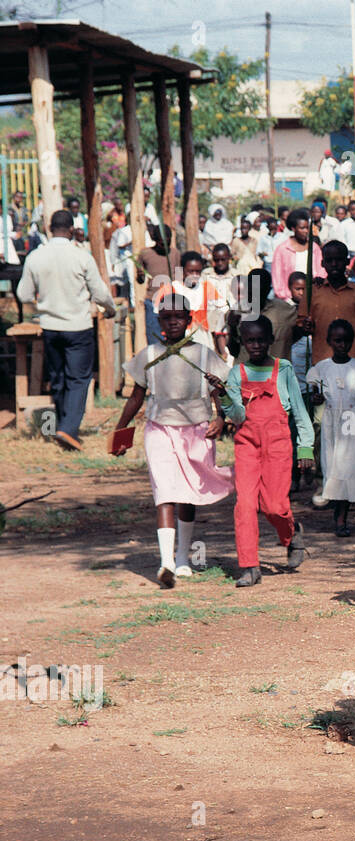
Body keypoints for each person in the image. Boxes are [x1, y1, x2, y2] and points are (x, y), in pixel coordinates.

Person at [112, 294, 233, 587]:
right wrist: (120, 432)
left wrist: (221, 419)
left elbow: (219, 391)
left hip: (196, 429)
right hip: (159, 429)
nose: (173, 322)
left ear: (189, 319)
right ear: (159, 321)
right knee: (164, 491)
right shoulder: (150, 353)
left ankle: (182, 558)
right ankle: (166, 562)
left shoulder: (203, 354)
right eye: (167, 317)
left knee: (187, 493)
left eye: (179, 316)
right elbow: (136, 396)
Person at [211, 316, 313, 588]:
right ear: (243, 343)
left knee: (275, 506)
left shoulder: (284, 369)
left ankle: (292, 535)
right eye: (249, 341)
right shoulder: (237, 374)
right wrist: (223, 396)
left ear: (270, 340)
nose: (255, 345)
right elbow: (237, 415)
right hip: (247, 445)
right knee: (244, 505)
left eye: (260, 340)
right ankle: (249, 566)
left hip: (278, 444)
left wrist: (306, 447)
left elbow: (301, 412)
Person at [16, 210, 116, 451]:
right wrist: (109, 309)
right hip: (78, 326)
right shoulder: (81, 256)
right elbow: (100, 292)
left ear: (50, 228)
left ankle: (63, 426)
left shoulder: (35, 257)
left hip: (50, 326)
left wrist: (42, 303)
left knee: (58, 378)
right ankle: (68, 429)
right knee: (79, 379)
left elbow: (23, 294)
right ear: (71, 229)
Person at [306, 320, 355, 537]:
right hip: (332, 421)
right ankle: (337, 510)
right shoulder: (321, 368)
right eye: (337, 340)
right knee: (333, 464)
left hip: (352, 421)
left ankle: (343, 516)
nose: (342, 345)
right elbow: (314, 397)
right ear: (329, 341)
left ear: (352, 341)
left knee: (349, 466)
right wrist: (316, 398)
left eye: (346, 340)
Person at [302, 240, 355, 366]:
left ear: (347, 262)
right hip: (322, 362)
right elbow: (301, 324)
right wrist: (305, 326)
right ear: (323, 263)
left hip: (353, 363)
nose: (334, 264)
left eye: (339, 260)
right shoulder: (312, 291)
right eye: (329, 260)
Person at [271, 209, 322, 302]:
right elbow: (277, 278)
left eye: (307, 228)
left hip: (313, 297)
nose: (306, 231)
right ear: (293, 229)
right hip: (289, 300)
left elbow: (321, 272)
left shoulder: (315, 248)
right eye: (302, 228)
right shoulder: (282, 250)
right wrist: (287, 298)